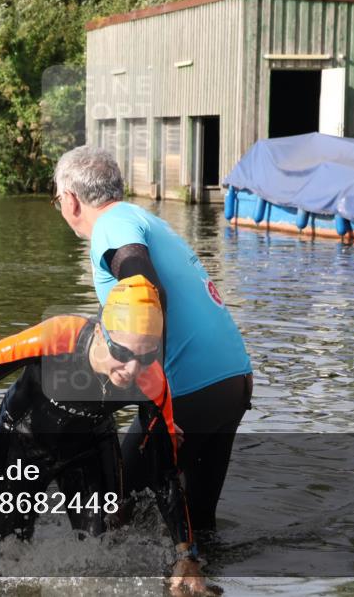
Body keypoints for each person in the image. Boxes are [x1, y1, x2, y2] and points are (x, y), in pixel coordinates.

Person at [0, 276, 213, 596]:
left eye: (147, 355)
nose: (133, 369)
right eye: (123, 354)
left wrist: (187, 555)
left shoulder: (152, 382)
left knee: (104, 556)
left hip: (91, 445)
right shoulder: (56, 337)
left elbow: (166, 473)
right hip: (23, 440)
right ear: (101, 333)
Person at [52, 146, 253, 533]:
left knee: (114, 509)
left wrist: (149, 388)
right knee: (197, 521)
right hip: (232, 381)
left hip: (189, 389)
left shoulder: (111, 226)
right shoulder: (144, 218)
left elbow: (144, 284)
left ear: (70, 200)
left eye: (57, 200)